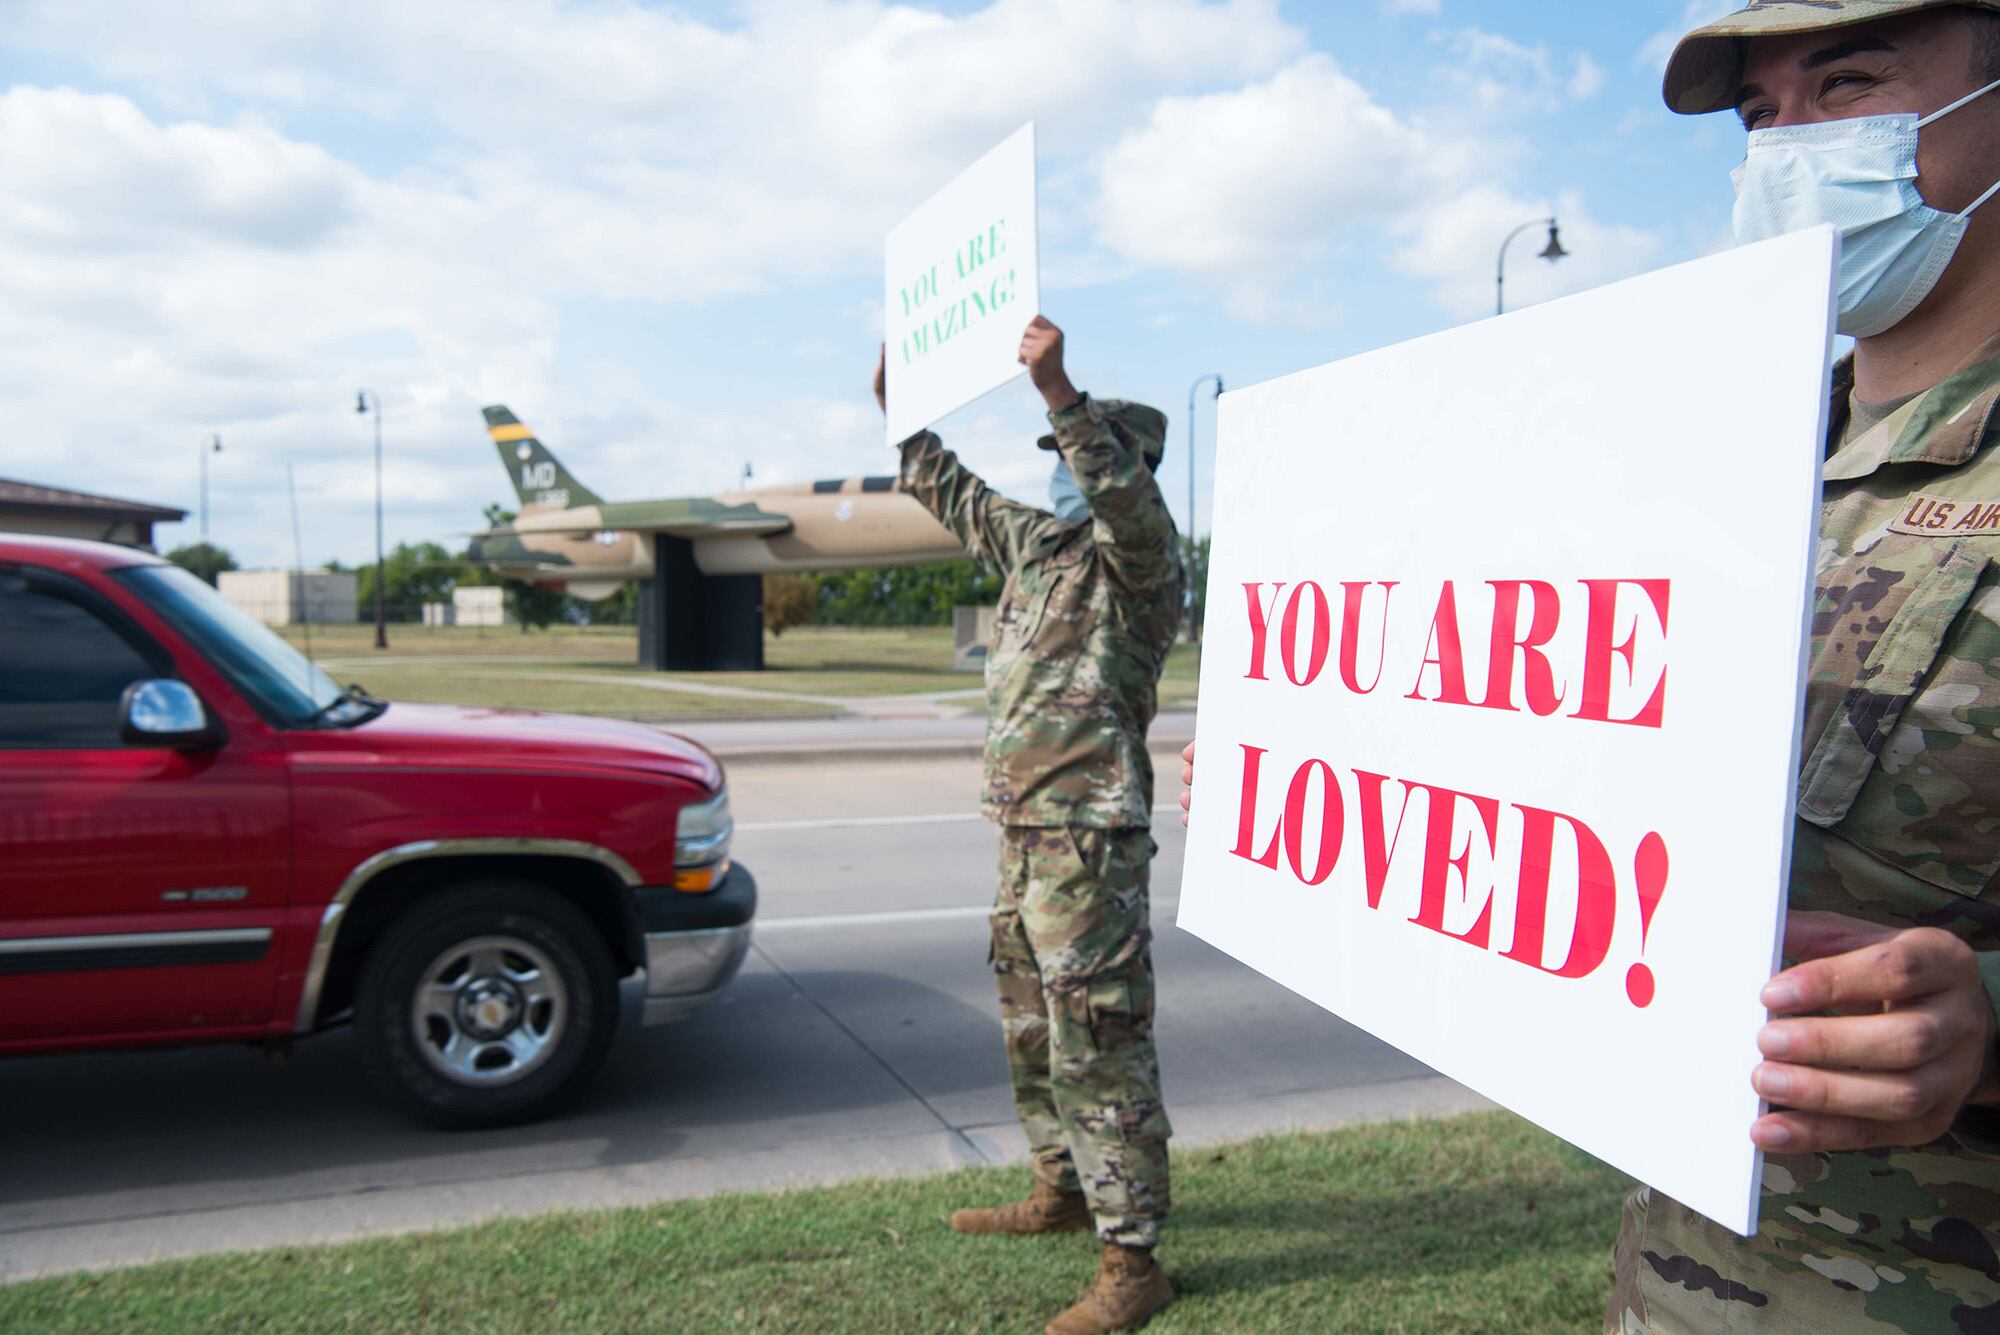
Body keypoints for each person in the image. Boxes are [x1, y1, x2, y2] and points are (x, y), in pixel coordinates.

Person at [1184, 2, 2000, 1327]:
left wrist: (1986, 1026)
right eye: (1760, 116)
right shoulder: (1703, 461)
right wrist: (1311, 761)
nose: (1789, 146)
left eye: (1848, 83)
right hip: (1680, 1276)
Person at [873, 316, 1184, 1335]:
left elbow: (1123, 506)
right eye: (1056, 455)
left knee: (1099, 1042)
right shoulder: (1038, 548)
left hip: (1089, 841)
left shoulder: (1143, 564)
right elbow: (951, 490)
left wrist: (1059, 394)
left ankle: (1131, 1261)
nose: (1063, 475)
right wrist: (900, 405)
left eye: (1081, 455)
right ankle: (1060, 1188)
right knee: (1027, 1031)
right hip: (1021, 834)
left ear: (1120, 464)